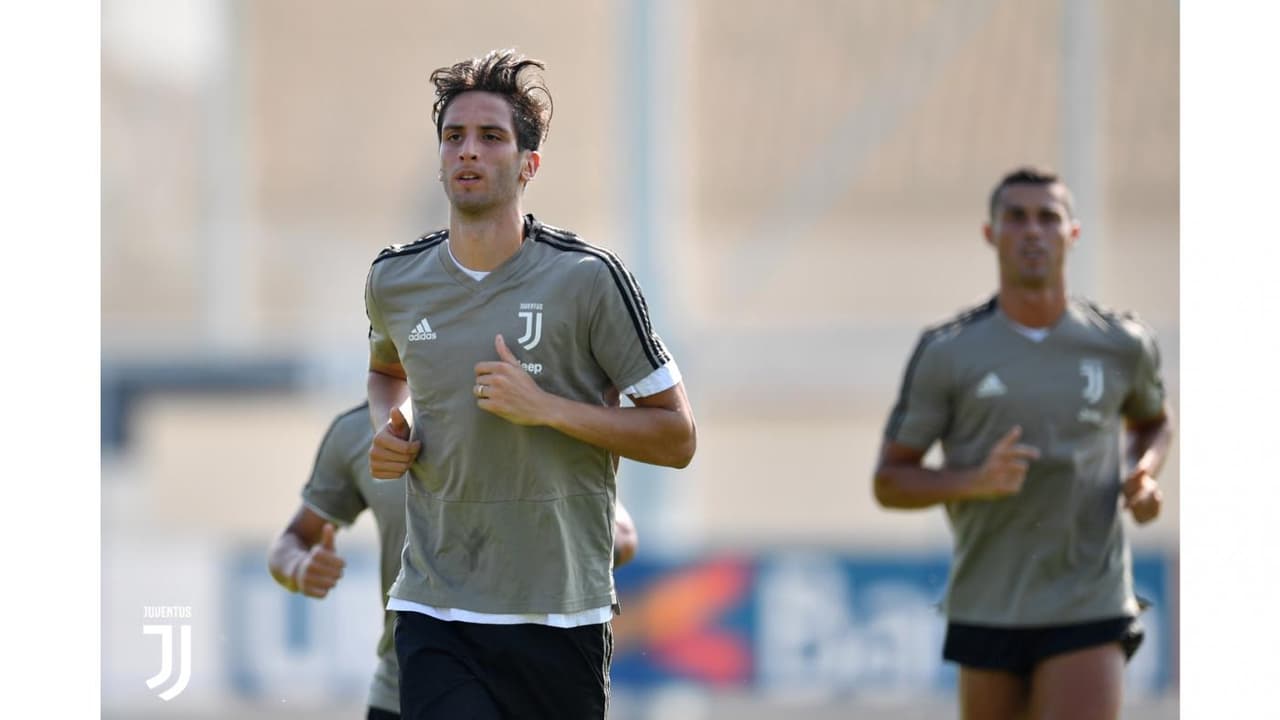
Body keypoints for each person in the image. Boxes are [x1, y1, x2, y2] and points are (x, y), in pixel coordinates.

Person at [363, 49, 696, 719]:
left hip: (562, 613)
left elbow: (676, 436)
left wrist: (544, 408)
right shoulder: (395, 280)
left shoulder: (590, 280)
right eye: (454, 137)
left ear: (528, 164)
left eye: (491, 137)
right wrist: (389, 424)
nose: (469, 152)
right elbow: (386, 371)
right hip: (437, 603)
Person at [873, 167, 1173, 720]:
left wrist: (1144, 471)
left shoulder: (1120, 344)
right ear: (991, 233)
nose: (1032, 230)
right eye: (1016, 217)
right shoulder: (948, 352)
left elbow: (1154, 421)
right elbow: (890, 480)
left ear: (1072, 234)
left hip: (1089, 599)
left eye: (1048, 217)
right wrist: (972, 481)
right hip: (988, 604)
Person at [267, 401, 642, 719]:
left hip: (525, 679)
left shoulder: (515, 411)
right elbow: (293, 539)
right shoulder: (359, 431)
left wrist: (541, 533)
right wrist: (300, 567)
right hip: (402, 688)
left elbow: (622, 535)